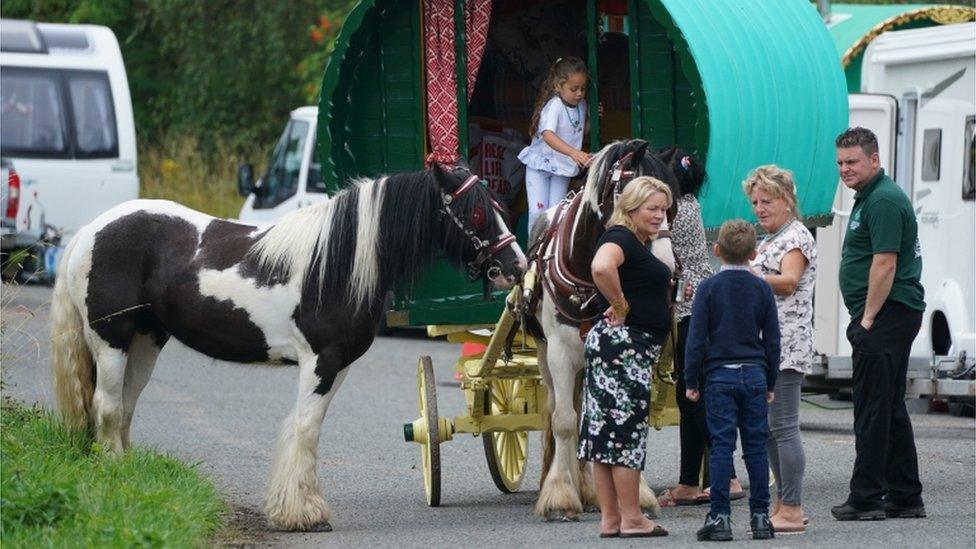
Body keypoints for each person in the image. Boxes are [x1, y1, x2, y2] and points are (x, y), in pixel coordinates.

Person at [831, 127, 927, 521]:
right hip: (889, 314)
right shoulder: (870, 196)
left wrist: (867, 319)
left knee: (871, 407)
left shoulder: (884, 200)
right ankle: (905, 495)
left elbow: (885, 262)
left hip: (887, 314)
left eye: (852, 161)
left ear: (874, 159)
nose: (845, 169)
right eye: (840, 163)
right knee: (888, 406)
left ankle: (867, 496)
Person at [578, 176, 673, 539]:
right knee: (626, 436)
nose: (659, 216)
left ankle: (611, 519)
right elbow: (602, 267)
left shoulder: (633, 240)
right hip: (625, 349)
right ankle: (632, 519)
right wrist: (620, 304)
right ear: (630, 208)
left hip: (614, 346)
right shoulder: (620, 237)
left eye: (663, 209)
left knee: (604, 437)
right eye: (652, 209)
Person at [658, 151, 745, 507]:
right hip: (696, 300)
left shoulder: (672, 212)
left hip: (688, 305)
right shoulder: (690, 203)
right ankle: (689, 481)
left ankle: (728, 477)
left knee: (695, 395)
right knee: (687, 394)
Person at [685, 219, 780, 542]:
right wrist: (770, 381)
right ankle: (760, 517)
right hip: (754, 374)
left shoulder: (708, 289)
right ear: (754, 254)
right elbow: (772, 341)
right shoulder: (762, 288)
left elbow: (696, 339)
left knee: (722, 446)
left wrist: (691, 381)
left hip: (719, 375)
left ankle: (721, 517)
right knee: (755, 447)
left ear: (716, 250)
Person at [744, 165, 816, 534]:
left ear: (787, 200)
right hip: (766, 347)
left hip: (787, 345)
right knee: (771, 429)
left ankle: (792, 506)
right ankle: (783, 501)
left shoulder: (797, 237)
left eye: (767, 201)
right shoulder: (770, 237)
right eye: (755, 201)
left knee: (784, 428)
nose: (759, 208)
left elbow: (788, 282)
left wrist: (748, 276)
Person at [518, 56, 592, 231]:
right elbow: (548, 135)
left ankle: (549, 253)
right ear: (558, 86)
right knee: (538, 212)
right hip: (541, 165)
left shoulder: (582, 105)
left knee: (556, 212)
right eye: (574, 89)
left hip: (562, 166)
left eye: (583, 89)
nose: (579, 93)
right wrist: (574, 153)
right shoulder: (554, 105)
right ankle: (533, 254)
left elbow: (579, 130)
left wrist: (593, 118)